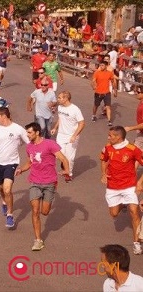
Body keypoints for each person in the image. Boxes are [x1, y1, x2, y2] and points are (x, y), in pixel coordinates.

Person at [15, 122, 70, 251]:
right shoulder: (29, 147)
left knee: (44, 212)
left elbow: (63, 159)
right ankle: (38, 240)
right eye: (27, 132)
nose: (27, 135)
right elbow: (30, 162)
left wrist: (67, 171)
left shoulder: (49, 144)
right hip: (34, 182)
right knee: (35, 211)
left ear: (37, 132)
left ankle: (44, 211)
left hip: (49, 182)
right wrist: (21, 170)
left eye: (29, 132)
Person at [100, 126, 143, 255]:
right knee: (113, 214)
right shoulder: (108, 148)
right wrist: (103, 174)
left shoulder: (132, 149)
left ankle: (137, 243)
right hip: (113, 187)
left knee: (134, 212)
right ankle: (123, 203)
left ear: (118, 137)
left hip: (129, 185)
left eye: (111, 136)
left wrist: (140, 183)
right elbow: (103, 160)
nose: (108, 137)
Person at [50, 91, 85, 182]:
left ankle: (69, 174)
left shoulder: (75, 109)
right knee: (59, 155)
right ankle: (65, 165)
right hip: (61, 135)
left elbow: (82, 123)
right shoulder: (60, 107)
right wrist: (55, 128)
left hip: (71, 136)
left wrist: (74, 135)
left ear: (65, 99)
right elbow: (60, 118)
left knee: (70, 157)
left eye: (59, 98)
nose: (58, 99)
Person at [91, 61, 117, 126]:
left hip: (107, 93)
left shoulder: (109, 73)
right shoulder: (97, 73)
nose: (101, 66)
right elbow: (93, 81)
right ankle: (93, 115)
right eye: (100, 65)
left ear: (106, 66)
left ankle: (109, 121)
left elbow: (113, 81)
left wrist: (114, 90)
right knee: (96, 105)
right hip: (98, 93)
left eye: (102, 65)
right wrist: (93, 86)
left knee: (108, 106)